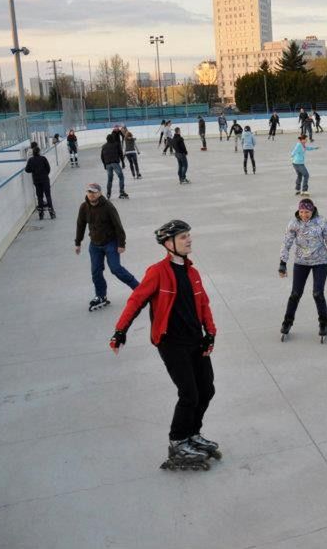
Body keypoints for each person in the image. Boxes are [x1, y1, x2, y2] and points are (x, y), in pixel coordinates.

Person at [110, 219, 221, 471]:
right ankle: (177, 443)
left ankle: (192, 434)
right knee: (189, 394)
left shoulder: (192, 272)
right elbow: (136, 300)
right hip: (172, 343)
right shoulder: (157, 272)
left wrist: (210, 332)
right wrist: (120, 331)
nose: (189, 240)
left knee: (207, 390)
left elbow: (203, 304)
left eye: (189, 235)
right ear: (168, 243)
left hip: (195, 340)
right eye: (183, 237)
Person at [278, 199, 327, 341]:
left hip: (320, 262)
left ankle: (324, 324)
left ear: (312, 210)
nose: (304, 215)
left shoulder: (321, 222)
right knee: (295, 293)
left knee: (318, 293)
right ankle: (287, 322)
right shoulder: (294, 224)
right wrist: (283, 262)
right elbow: (286, 242)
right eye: (301, 212)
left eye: (307, 212)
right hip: (301, 262)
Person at [75, 183, 139, 311]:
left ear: (99, 193)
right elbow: (80, 225)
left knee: (115, 269)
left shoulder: (108, 207)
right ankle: (101, 296)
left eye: (93, 192)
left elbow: (118, 225)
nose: (91, 194)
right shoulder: (84, 207)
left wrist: (121, 244)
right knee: (96, 272)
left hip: (111, 242)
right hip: (95, 245)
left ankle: (140, 289)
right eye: (89, 192)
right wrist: (78, 242)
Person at [25, 144, 54, 220]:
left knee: (39, 196)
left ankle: (41, 213)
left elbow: (27, 170)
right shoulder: (43, 158)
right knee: (48, 195)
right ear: (39, 152)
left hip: (36, 180)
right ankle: (51, 212)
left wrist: (34, 170)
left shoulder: (31, 160)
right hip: (45, 179)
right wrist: (45, 174)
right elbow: (48, 168)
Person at [101, 132, 128, 199]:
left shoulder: (104, 146)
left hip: (108, 165)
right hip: (115, 163)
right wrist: (123, 162)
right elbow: (120, 153)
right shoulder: (116, 144)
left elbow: (102, 157)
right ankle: (121, 192)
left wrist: (105, 165)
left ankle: (108, 193)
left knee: (109, 179)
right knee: (121, 177)